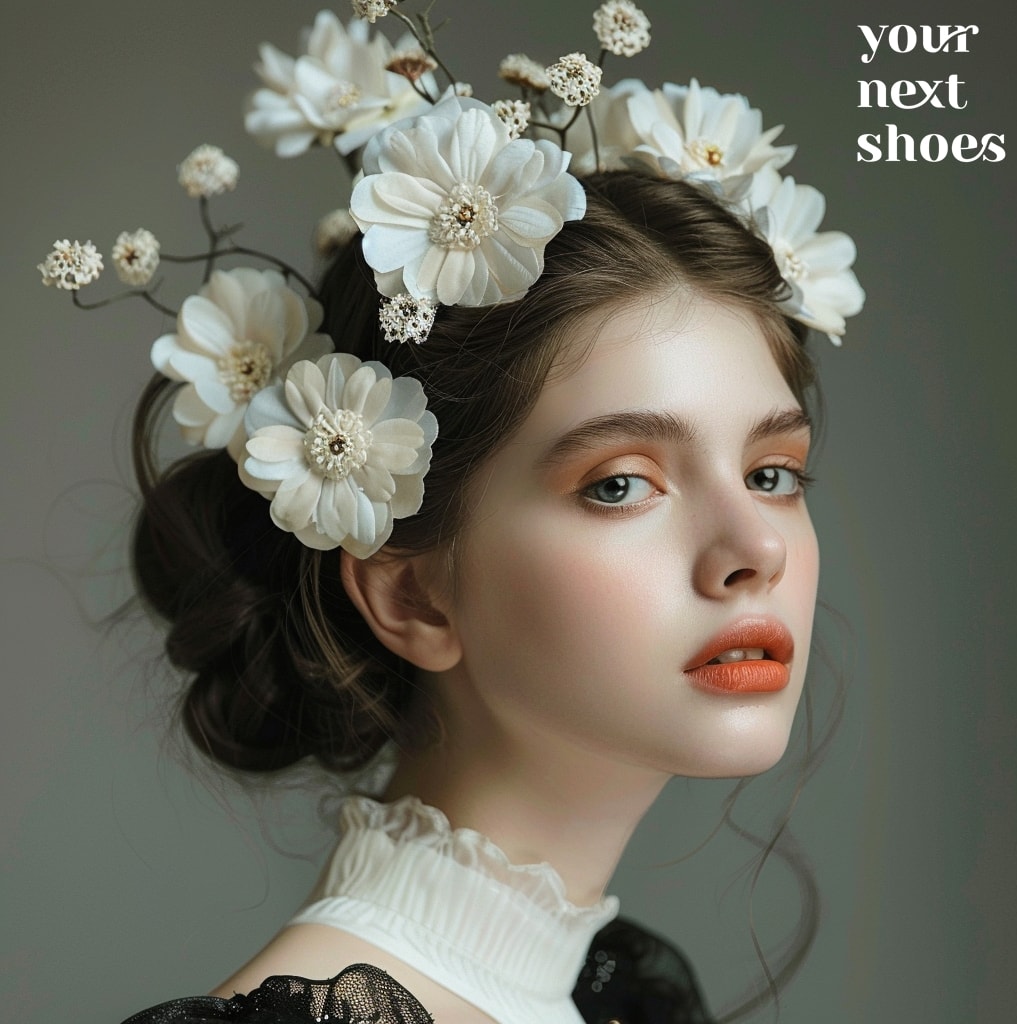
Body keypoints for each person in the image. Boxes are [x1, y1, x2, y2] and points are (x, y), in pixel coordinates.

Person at [38, 4, 863, 1022]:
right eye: (619, 483)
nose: (751, 551)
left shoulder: (622, 997)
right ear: (412, 591)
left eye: (772, 472)